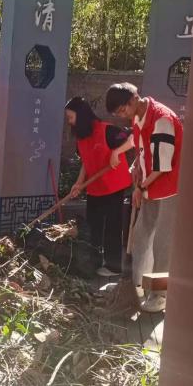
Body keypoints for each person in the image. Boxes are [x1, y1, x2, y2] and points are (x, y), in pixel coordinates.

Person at [105, 83, 183, 313]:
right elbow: (139, 146)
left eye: (122, 110)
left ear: (133, 100)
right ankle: (135, 286)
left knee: (163, 243)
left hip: (170, 189)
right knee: (141, 236)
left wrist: (140, 186)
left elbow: (161, 166)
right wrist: (133, 166)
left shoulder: (162, 119)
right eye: (118, 113)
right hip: (150, 187)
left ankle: (159, 295)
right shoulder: (139, 117)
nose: (122, 115)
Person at [65, 97, 134, 277]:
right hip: (95, 187)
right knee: (93, 226)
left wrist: (117, 152)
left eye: (71, 117)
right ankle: (93, 262)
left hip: (114, 186)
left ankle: (113, 267)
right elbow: (86, 162)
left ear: (81, 116)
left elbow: (132, 139)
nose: (69, 122)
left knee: (112, 226)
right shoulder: (81, 137)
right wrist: (79, 183)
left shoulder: (108, 130)